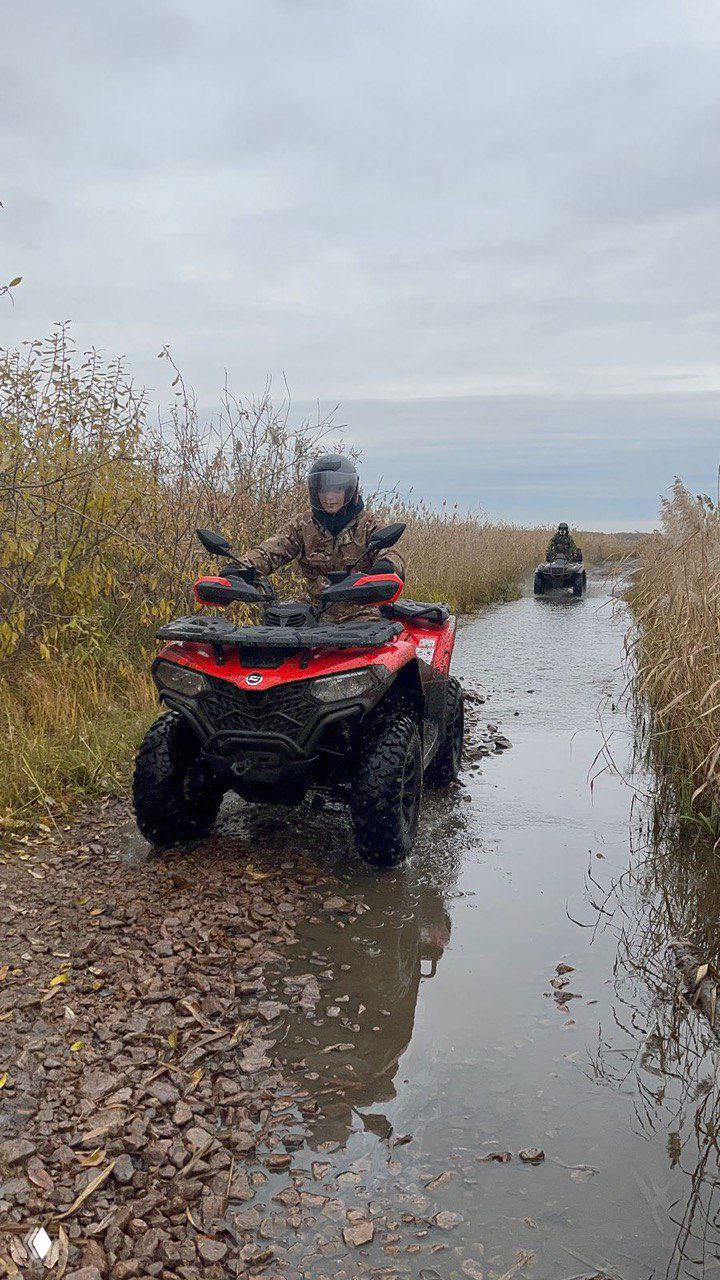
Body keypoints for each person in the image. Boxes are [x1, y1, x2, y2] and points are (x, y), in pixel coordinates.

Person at [237, 454, 405, 620]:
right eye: (324, 490)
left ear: (349, 490)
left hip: (360, 612)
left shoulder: (369, 524)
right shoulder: (303, 524)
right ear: (315, 492)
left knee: (368, 642)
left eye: (337, 489)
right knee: (275, 622)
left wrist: (384, 568)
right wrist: (239, 568)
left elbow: (392, 556)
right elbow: (270, 551)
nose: (329, 497)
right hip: (313, 610)